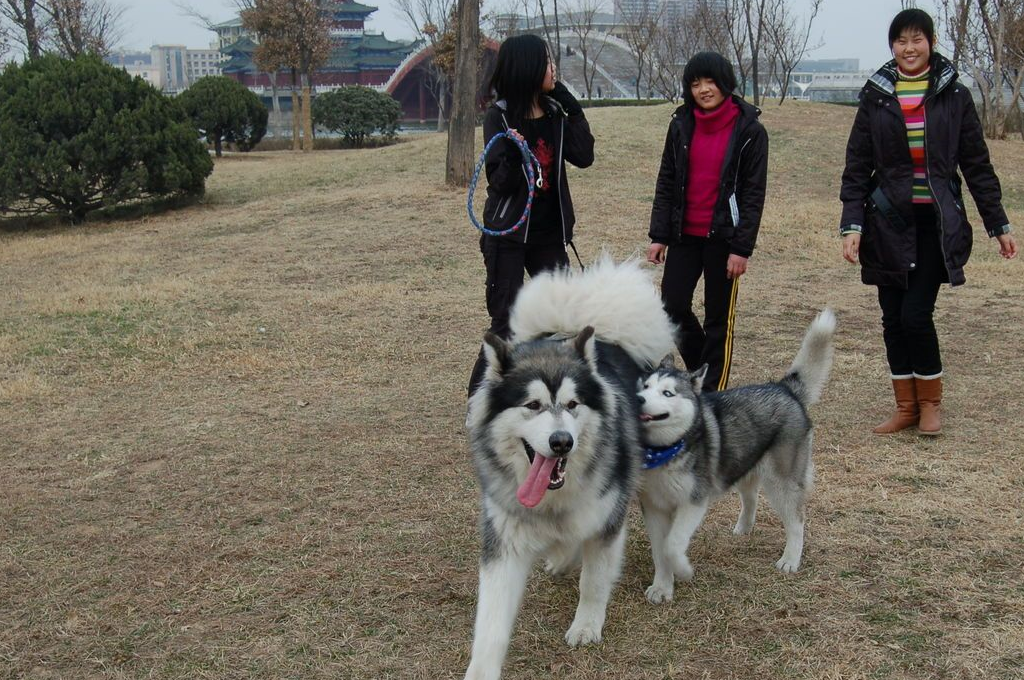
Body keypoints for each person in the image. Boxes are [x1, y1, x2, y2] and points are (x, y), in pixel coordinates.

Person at [839, 8, 1018, 436]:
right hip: (885, 222)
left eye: (917, 39)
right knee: (891, 317)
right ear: (892, 47)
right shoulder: (876, 95)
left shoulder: (953, 95)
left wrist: (999, 224)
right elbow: (857, 167)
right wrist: (852, 225)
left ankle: (931, 404)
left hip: (934, 224)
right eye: (901, 41)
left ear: (931, 43)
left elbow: (976, 164)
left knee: (916, 315)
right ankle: (906, 406)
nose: (909, 48)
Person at [467, 34, 595, 396]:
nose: (553, 68)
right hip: (508, 234)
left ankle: (554, 394)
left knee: (560, 319)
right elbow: (501, 181)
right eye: (547, 61)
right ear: (528, 68)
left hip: (550, 236)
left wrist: (568, 101)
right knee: (508, 323)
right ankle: (479, 402)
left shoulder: (555, 112)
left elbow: (584, 155)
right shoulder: (500, 116)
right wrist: (514, 147)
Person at [647, 51, 768, 393]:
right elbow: (667, 180)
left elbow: (752, 195)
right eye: (695, 83)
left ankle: (714, 394)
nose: (703, 89)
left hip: (724, 240)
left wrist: (741, 248)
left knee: (718, 319)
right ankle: (703, 368)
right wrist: (659, 236)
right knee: (672, 307)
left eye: (709, 81)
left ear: (725, 82)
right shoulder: (681, 124)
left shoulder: (750, 131)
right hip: (684, 233)